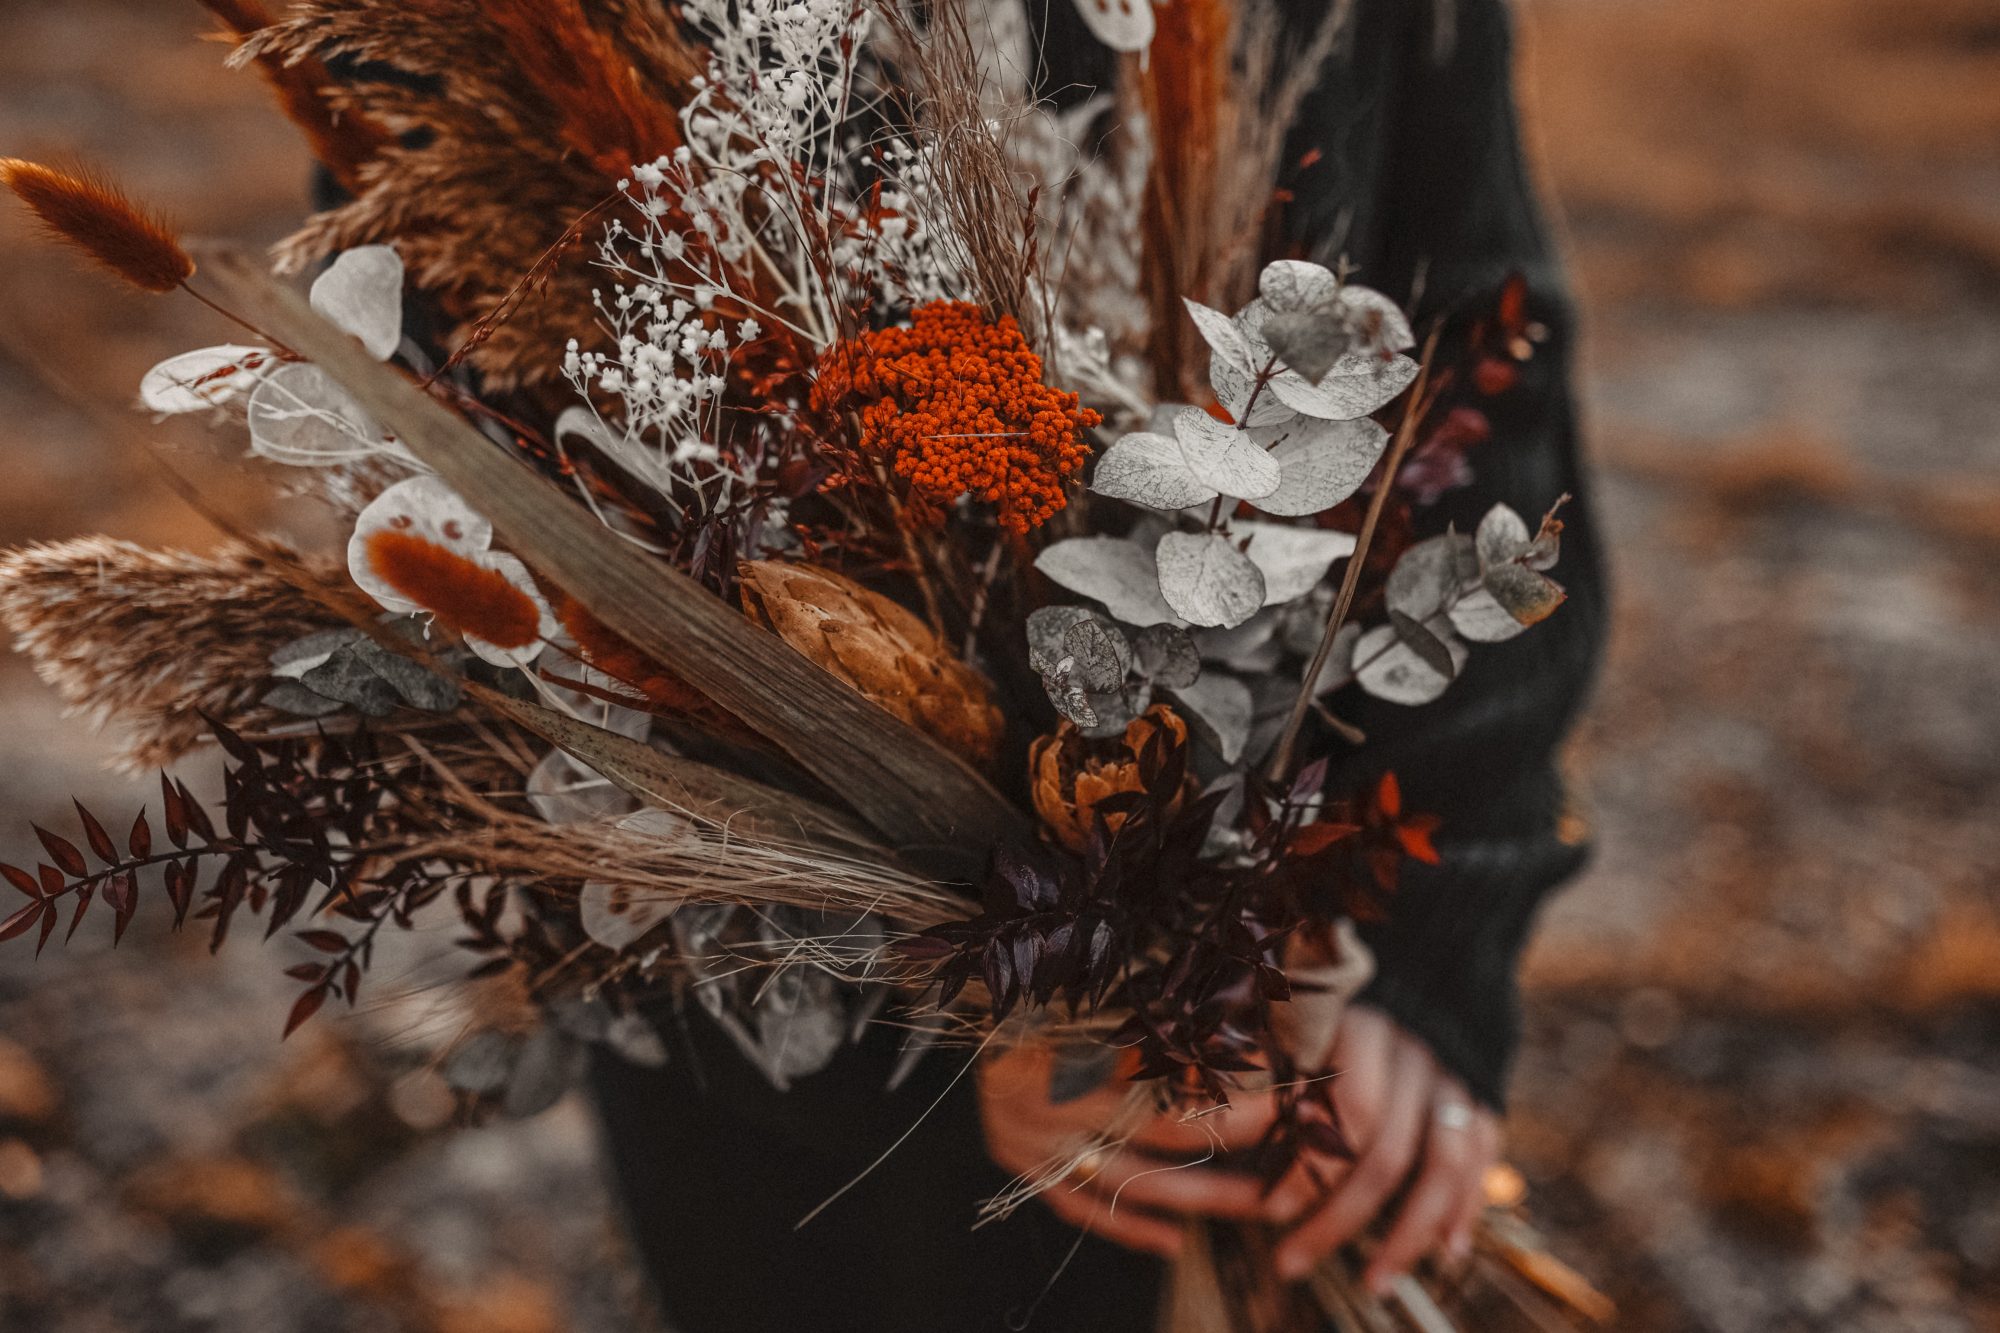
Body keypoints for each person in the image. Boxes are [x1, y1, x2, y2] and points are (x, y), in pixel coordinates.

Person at [588, 0, 1607, 1327]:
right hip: (800, 1147)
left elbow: (1477, 337)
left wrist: (1427, 962)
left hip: (1301, 1020)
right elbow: (512, 482)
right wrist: (931, 1035)